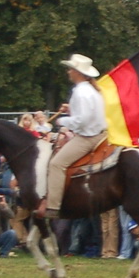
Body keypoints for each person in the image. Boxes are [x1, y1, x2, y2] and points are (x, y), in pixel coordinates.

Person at [47, 54, 109, 218]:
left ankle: (53, 206)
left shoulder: (81, 92)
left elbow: (82, 121)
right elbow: (88, 115)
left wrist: (62, 121)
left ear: (77, 72)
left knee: (56, 164)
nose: (68, 72)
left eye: (70, 69)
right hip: (100, 134)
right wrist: (71, 111)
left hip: (88, 138)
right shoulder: (92, 90)